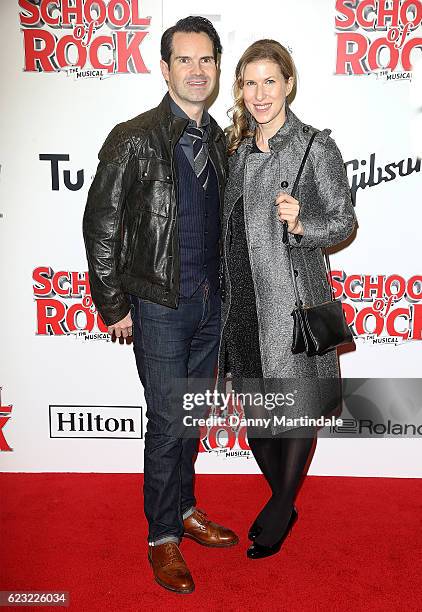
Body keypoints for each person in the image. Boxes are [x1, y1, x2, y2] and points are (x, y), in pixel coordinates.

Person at [83, 16, 238, 594]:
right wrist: (113, 302)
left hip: (209, 307)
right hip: (158, 306)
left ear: (217, 68)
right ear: (166, 67)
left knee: (191, 419)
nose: (197, 72)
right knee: (169, 422)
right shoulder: (133, 137)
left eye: (206, 61)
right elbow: (101, 224)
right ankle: (162, 536)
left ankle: (187, 508)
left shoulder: (223, 143)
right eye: (185, 60)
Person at [217, 39, 357, 559]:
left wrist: (302, 223)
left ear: (289, 84)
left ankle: (279, 508)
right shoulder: (236, 150)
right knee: (258, 420)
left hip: (291, 304)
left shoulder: (314, 147)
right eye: (249, 82)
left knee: (294, 412)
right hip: (243, 306)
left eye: (269, 81)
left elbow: (343, 221)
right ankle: (284, 498)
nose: (259, 93)